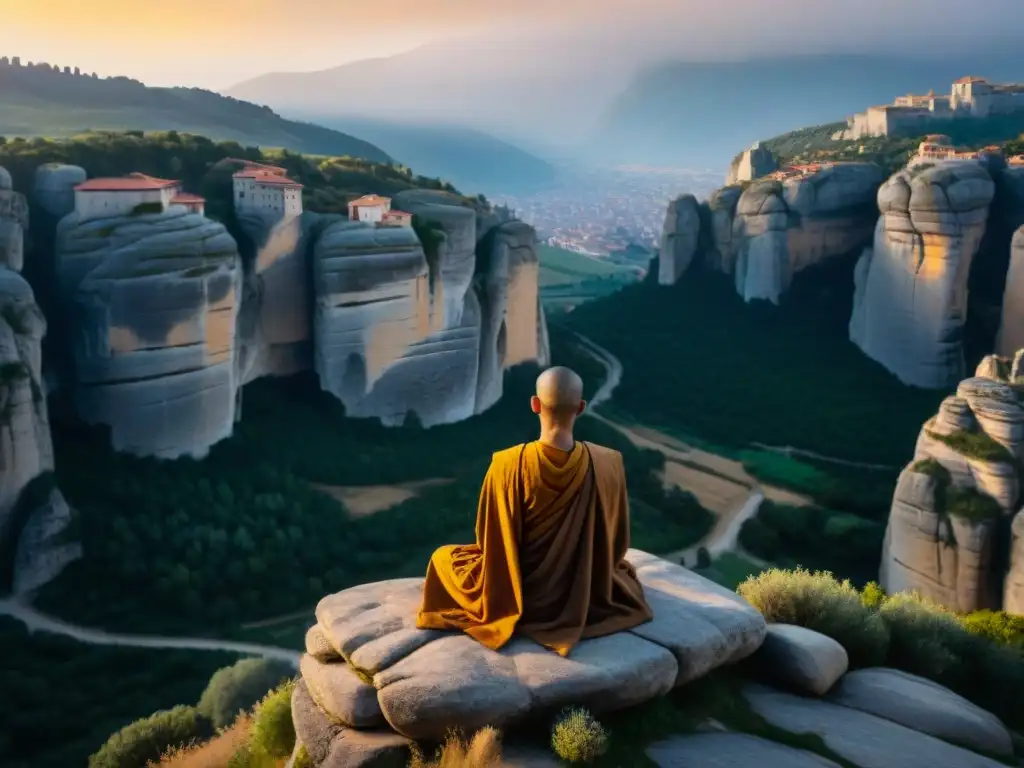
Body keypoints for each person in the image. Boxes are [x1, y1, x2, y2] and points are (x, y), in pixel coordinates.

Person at [416, 365, 653, 657]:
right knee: (625, 574)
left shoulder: (507, 465)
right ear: (580, 408)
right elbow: (616, 544)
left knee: (442, 558)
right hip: (584, 592)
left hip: (517, 593)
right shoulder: (609, 463)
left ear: (535, 404)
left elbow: (489, 541)